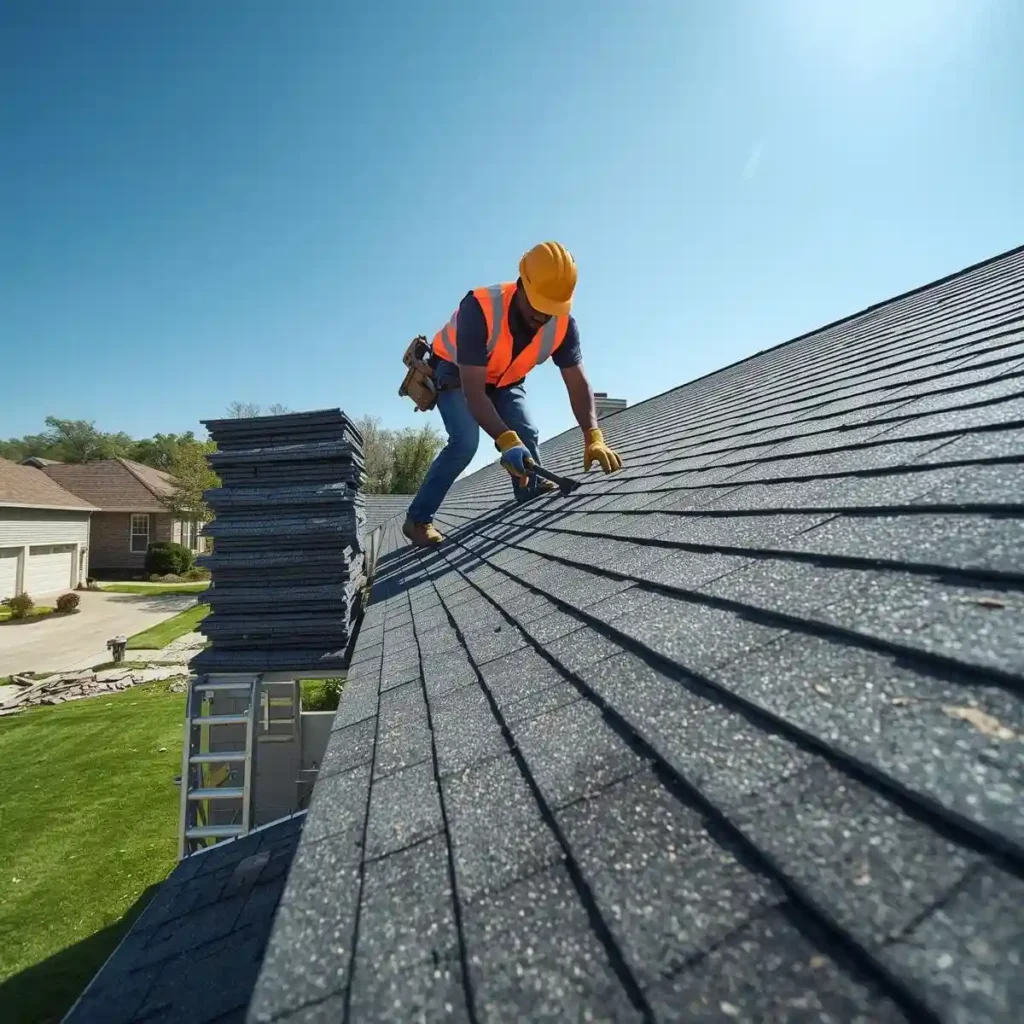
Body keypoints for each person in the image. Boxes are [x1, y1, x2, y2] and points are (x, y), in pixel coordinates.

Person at [403, 241, 623, 547]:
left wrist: (593, 434)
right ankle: (417, 519)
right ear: (522, 284)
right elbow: (474, 392)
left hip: (505, 377)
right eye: (538, 308)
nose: (543, 318)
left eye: (552, 311)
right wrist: (505, 441)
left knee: (526, 431)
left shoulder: (563, 325)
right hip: (457, 373)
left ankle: (527, 489)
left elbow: (577, 382)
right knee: (465, 442)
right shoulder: (479, 308)